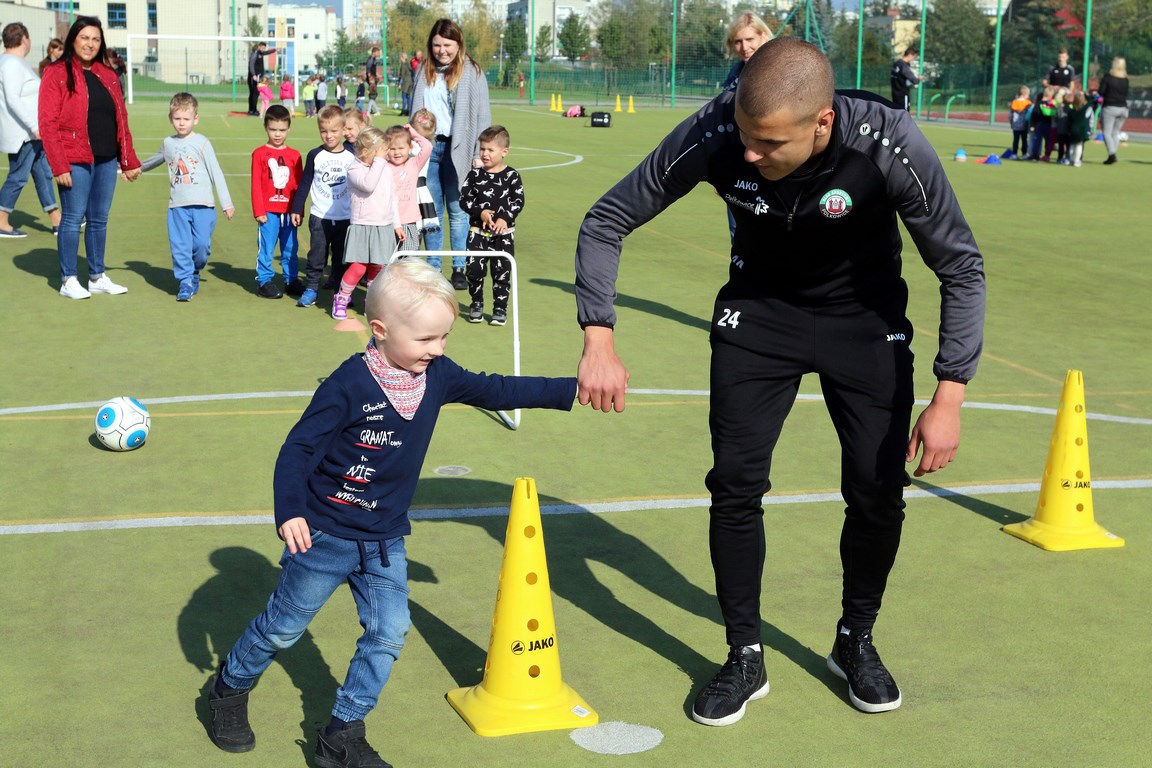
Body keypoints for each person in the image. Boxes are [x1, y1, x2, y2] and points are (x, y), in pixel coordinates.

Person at [574, 38, 985, 725]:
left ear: (822, 124)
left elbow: (961, 267)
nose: (749, 155)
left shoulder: (887, 141)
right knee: (735, 484)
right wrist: (599, 336)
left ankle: (855, 638)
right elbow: (608, 218)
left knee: (878, 490)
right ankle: (744, 653)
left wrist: (951, 393)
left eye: (767, 143)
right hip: (759, 314)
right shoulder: (718, 130)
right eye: (743, 136)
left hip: (865, 321)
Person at [205, 257, 579, 767]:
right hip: (323, 537)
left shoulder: (439, 376)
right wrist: (290, 511)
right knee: (284, 627)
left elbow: (497, 388)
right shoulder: (347, 385)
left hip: (383, 541)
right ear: (379, 331)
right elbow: (298, 450)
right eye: (427, 339)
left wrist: (569, 388)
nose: (438, 350)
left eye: (444, 337)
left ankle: (342, 732)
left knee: (389, 631)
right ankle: (228, 688)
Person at [40, 16, 142, 300]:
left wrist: (128, 160)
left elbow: (121, 118)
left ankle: (96, 276)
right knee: (72, 218)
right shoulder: (57, 72)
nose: (90, 44)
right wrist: (59, 165)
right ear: (74, 38)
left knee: (99, 219)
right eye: (85, 37)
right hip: (74, 159)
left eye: (96, 39)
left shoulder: (107, 74)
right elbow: (47, 122)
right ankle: (68, 279)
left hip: (107, 159)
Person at [411, 18, 491, 289]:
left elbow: (482, 115)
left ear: (458, 44)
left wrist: (480, 151)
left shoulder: (473, 72)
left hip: (460, 149)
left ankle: (459, 267)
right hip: (428, 149)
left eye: (447, 45)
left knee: (458, 212)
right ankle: (434, 266)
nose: (441, 50)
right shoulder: (424, 70)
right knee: (431, 213)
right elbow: (414, 110)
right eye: (436, 45)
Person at [138, 93, 235, 301]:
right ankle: (185, 281)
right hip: (177, 206)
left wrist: (226, 203)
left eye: (186, 119)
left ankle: (194, 271)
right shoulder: (168, 143)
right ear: (170, 118)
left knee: (201, 247)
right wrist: (135, 169)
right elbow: (155, 160)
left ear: (195, 119)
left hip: (203, 205)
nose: (181, 123)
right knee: (180, 245)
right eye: (177, 119)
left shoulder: (202, 143)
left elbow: (216, 173)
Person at [332, 127, 403, 320]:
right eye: (383, 150)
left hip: (383, 226)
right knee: (358, 267)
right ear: (368, 151)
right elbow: (368, 185)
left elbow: (392, 199)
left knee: (377, 268)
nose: (387, 155)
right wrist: (379, 161)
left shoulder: (386, 169)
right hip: (363, 225)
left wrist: (396, 224)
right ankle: (341, 298)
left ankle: (370, 302)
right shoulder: (355, 169)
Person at [0, 22, 61, 238]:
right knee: (18, 177)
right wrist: (35, 127)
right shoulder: (12, 64)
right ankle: (1, 221)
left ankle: (57, 220)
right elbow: (13, 99)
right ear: (24, 39)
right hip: (24, 134)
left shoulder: (12, 62)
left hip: (30, 133)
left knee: (43, 174)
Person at [289, 105, 354, 309]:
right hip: (319, 217)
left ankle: (341, 293)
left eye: (334, 131)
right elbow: (305, 184)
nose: (329, 135)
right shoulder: (315, 155)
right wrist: (296, 208)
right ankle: (311, 289)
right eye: (324, 131)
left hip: (345, 217)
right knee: (317, 256)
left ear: (344, 130)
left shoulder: (352, 156)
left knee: (341, 258)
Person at [460, 124, 523, 327]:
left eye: (490, 150)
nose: (485, 154)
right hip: (477, 234)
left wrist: (505, 217)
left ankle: (499, 309)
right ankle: (476, 304)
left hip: (503, 236)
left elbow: (518, 201)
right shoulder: (475, 176)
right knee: (474, 271)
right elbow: (464, 200)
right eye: (482, 149)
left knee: (501, 272)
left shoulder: (512, 176)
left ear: (504, 152)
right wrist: (480, 212)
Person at [250, 104, 302, 299]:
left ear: (288, 128)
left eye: (282, 130)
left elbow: (298, 185)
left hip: (289, 212)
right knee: (267, 246)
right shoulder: (259, 154)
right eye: (273, 129)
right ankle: (264, 280)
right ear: (266, 127)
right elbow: (256, 183)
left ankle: (291, 280)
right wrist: (259, 210)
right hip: (268, 212)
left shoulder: (295, 155)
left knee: (290, 247)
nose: (277, 134)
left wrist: (299, 211)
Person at [382, 122, 432, 257]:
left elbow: (427, 147)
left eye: (401, 148)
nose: (397, 152)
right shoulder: (383, 167)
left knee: (409, 260)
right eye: (392, 148)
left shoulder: (414, 164)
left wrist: (414, 134)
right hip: (388, 222)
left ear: (410, 148)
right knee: (388, 260)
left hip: (409, 221)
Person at [721, 13, 773, 93]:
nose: (744, 47)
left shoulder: (778, 68)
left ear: (763, 37)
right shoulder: (735, 73)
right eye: (738, 42)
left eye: (749, 39)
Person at [409, 108, 441, 238]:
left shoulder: (421, 147)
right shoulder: (411, 144)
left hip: (416, 190)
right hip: (408, 190)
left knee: (416, 231)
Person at [1097, 57, 1129, 165]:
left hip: (1110, 107)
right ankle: (1113, 154)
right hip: (1123, 108)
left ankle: (1112, 154)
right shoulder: (1125, 79)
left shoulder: (1108, 77)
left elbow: (1101, 91)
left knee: (1106, 132)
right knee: (1115, 133)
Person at [890, 47, 923, 112]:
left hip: (894, 93)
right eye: (914, 57)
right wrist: (919, 79)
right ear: (910, 55)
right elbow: (914, 80)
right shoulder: (904, 66)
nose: (913, 59)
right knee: (905, 113)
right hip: (903, 94)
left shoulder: (896, 64)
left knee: (896, 113)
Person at [1066, 90, 1094, 168]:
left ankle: (1071, 160)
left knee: (1072, 145)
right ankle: (1076, 161)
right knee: (1079, 145)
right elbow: (1092, 100)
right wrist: (1085, 94)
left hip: (1072, 129)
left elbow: (1068, 121)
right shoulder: (1084, 109)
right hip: (1082, 130)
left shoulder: (1071, 110)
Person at [247, 42, 276, 116]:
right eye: (262, 48)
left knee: (255, 94)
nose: (263, 50)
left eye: (264, 48)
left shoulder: (261, 53)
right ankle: (252, 110)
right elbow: (251, 64)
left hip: (259, 77)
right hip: (254, 77)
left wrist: (274, 50)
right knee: (254, 93)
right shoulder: (255, 53)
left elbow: (267, 52)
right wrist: (253, 75)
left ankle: (252, 110)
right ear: (259, 46)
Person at [1008, 85, 1032, 160]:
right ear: (1025, 94)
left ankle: (1014, 154)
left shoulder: (1014, 102)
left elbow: (1010, 115)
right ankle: (1024, 154)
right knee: (1024, 140)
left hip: (1016, 125)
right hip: (1025, 125)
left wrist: (1011, 123)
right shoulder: (1028, 103)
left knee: (1016, 140)